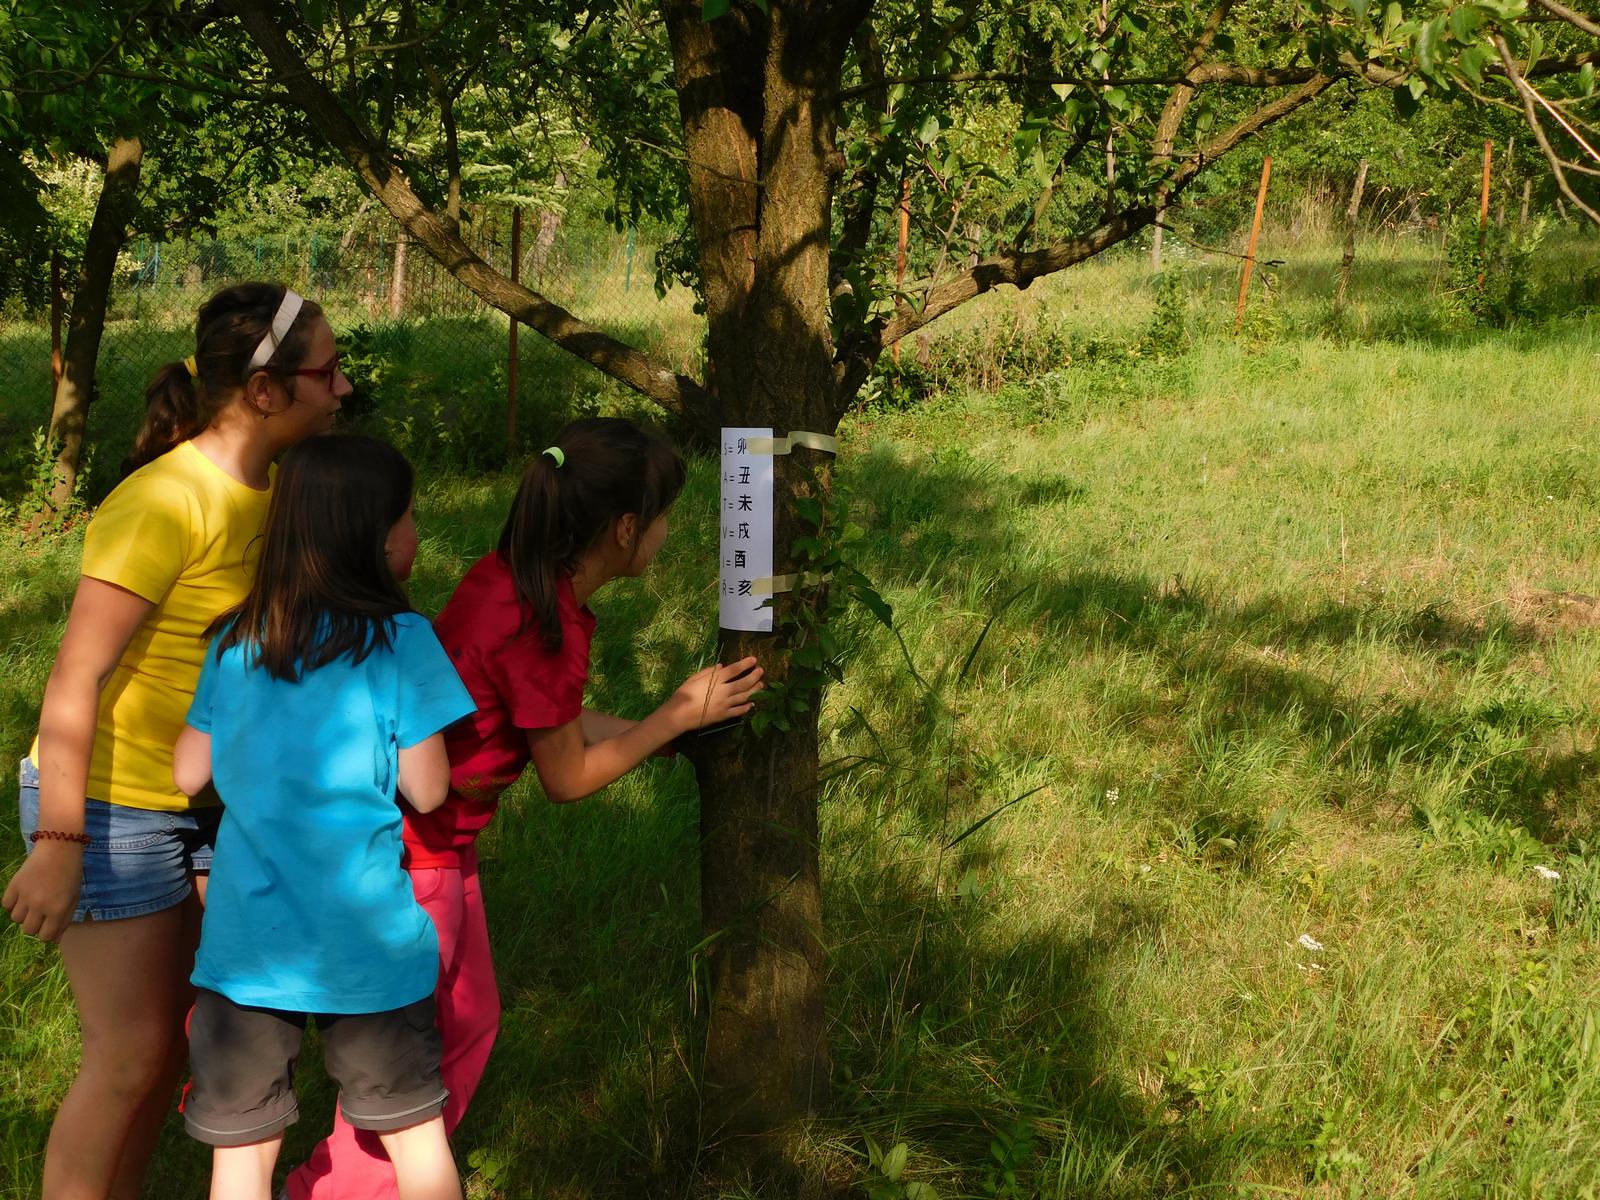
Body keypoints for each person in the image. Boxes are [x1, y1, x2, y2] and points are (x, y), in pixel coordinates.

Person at [287, 417, 763, 1200]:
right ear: (625, 528)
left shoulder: (513, 581)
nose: (668, 533)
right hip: (412, 859)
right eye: (664, 517)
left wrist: (660, 733)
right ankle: (330, 1190)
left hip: (437, 843)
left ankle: (383, 1180)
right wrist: (672, 718)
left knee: (467, 1022)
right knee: (407, 1065)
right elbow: (566, 776)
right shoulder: (541, 626)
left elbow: (546, 723)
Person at [4, 283, 349, 1200]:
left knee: (166, 1050)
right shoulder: (163, 504)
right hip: (110, 806)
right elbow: (74, 679)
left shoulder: (281, 492)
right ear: (266, 391)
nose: (344, 387)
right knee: (127, 1055)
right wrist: (60, 842)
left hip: (207, 803)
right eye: (327, 371)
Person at [174, 434, 475, 1200]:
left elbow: (187, 772)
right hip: (366, 943)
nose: (416, 531)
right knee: (416, 1140)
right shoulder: (401, 640)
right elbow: (429, 789)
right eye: (409, 515)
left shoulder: (236, 640)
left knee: (242, 1157)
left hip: (247, 946)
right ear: (371, 534)